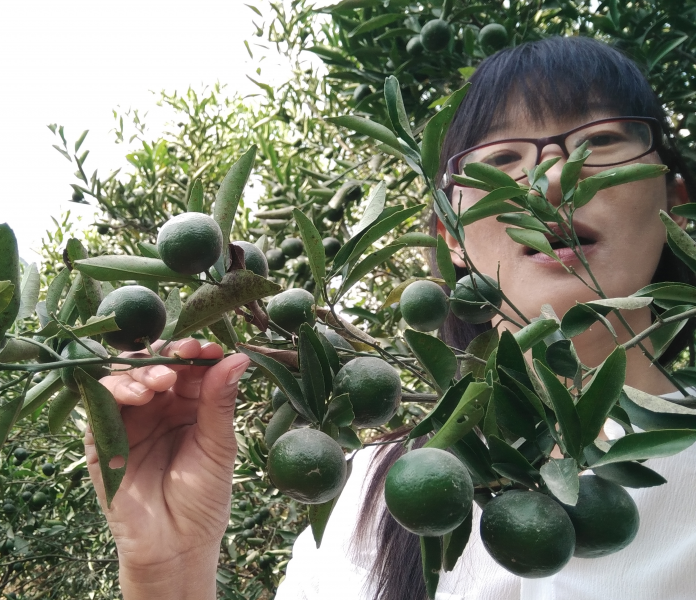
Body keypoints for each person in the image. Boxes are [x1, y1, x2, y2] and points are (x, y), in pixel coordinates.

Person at [84, 36, 696, 600]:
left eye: (599, 142)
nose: (552, 178)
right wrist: (170, 565)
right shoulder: (367, 496)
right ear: (451, 235)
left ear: (675, 200)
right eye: (503, 157)